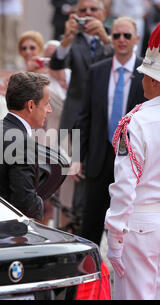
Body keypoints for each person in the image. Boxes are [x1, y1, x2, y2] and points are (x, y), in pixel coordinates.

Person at [105, 21, 160, 300]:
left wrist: (115, 236)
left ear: (155, 80)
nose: (142, 81)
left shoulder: (137, 121)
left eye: (145, 75)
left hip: (143, 222)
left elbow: (124, 186)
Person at [74, 17, 146, 246]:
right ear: (111, 38)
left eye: (127, 35)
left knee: (130, 231)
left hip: (133, 163)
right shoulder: (97, 71)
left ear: (137, 38)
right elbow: (83, 117)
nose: (121, 40)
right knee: (90, 228)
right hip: (98, 159)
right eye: (116, 35)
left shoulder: (148, 74)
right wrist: (76, 157)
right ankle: (89, 279)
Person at [49, 0, 113, 233]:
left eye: (93, 10)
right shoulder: (71, 39)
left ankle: (95, 223)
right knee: (70, 176)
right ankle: (69, 227)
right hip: (75, 117)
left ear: (103, 14)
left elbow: (121, 62)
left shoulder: (114, 38)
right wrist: (66, 37)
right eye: (82, 11)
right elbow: (57, 61)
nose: (87, 15)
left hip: (104, 118)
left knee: (96, 174)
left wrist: (106, 39)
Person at [0, 72, 52, 221]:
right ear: (31, 106)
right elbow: (24, 203)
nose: (49, 109)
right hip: (8, 232)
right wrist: (40, 205)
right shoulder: (23, 143)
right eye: (46, 103)